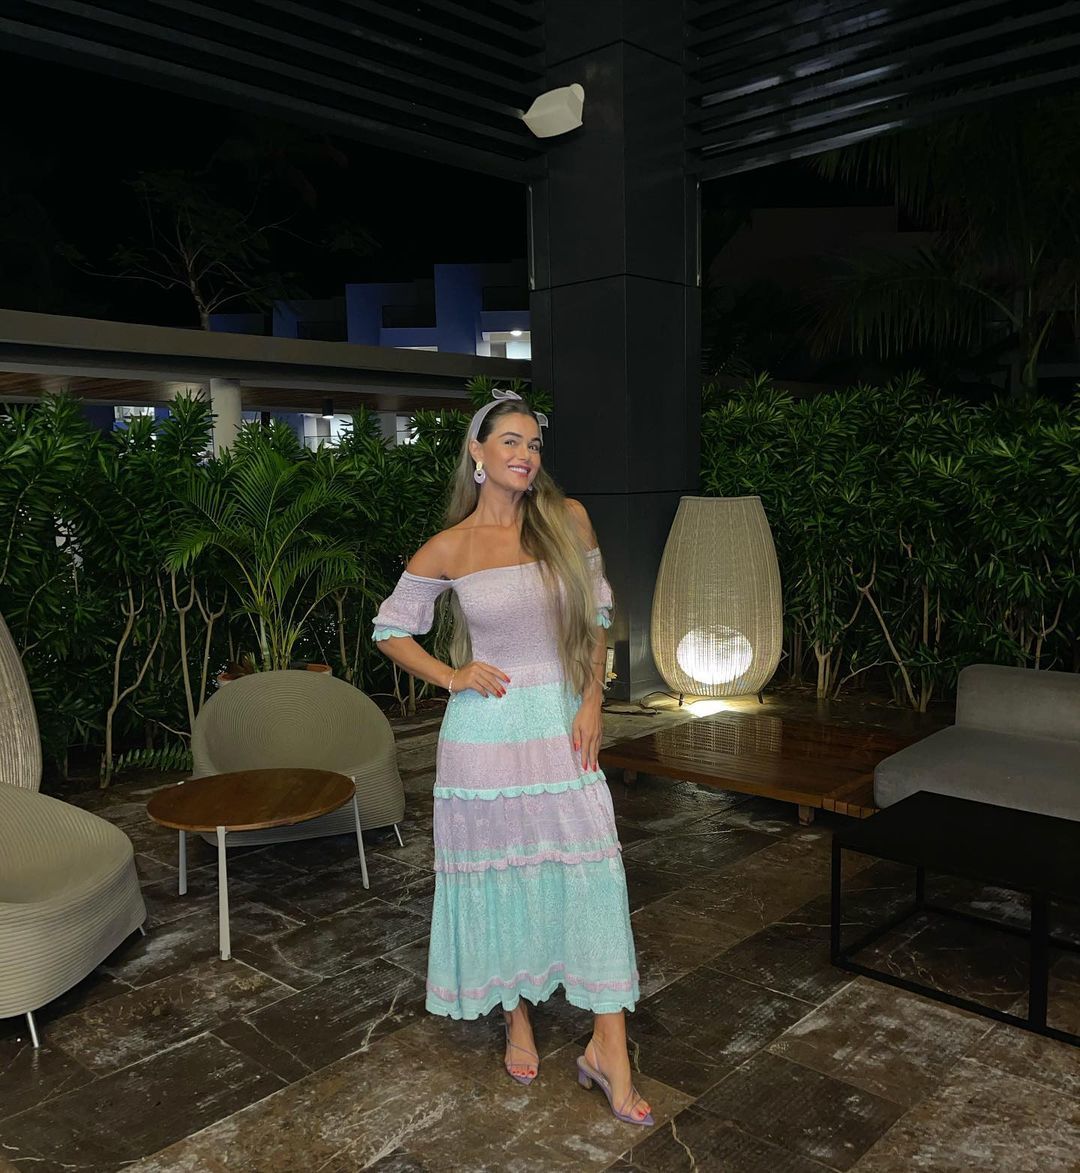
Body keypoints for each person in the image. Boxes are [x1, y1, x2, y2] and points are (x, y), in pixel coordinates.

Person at [371, 389, 652, 1126]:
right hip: (483, 741)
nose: (526, 455)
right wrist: (451, 674)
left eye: (533, 444)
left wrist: (591, 699)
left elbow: (596, 616)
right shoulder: (450, 546)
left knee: (592, 876)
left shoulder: (566, 518)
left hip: (561, 723)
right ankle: (516, 1015)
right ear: (478, 451)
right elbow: (390, 629)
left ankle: (609, 1048)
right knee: (500, 878)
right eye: (510, 442)